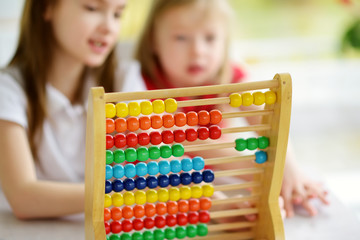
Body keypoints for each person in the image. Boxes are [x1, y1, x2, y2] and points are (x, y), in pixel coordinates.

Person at [135, 0, 329, 218]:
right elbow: (178, 140)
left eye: (210, 38)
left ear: (225, 40)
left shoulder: (232, 78)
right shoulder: (140, 85)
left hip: (219, 173)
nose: (197, 51)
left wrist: (287, 167)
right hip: (163, 182)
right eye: (181, 38)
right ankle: (219, 206)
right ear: (153, 41)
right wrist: (259, 170)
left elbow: (269, 122)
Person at [0, 0, 146, 219]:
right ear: (47, 7)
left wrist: (197, 192)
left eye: (117, 14)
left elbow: (159, 151)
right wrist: (123, 192)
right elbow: (23, 197)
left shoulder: (124, 79)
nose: (109, 27)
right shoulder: (8, 91)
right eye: (92, 8)